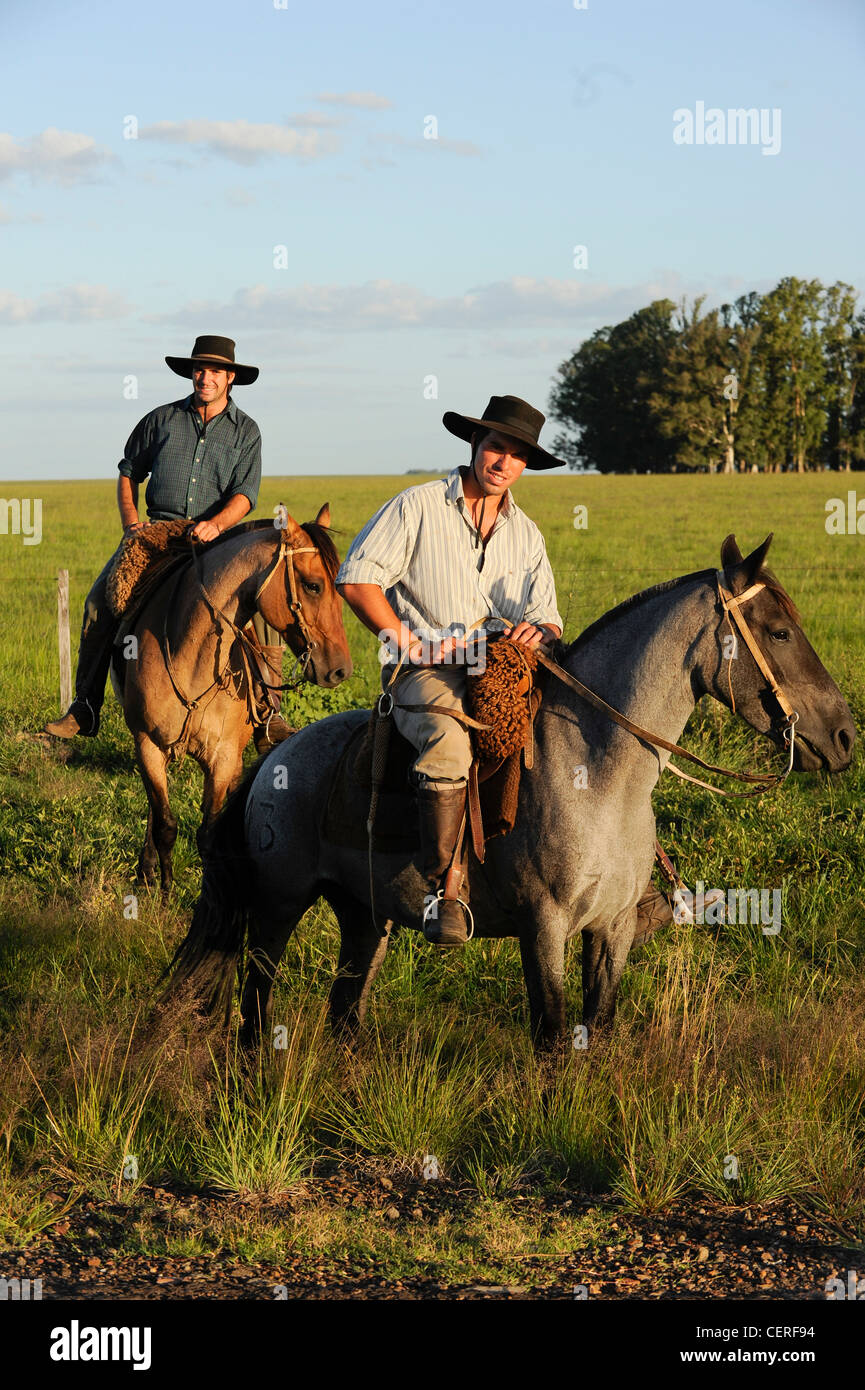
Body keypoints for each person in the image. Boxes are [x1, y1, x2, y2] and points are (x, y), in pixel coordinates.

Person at [336, 394, 564, 946]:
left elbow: (549, 619)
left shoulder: (526, 534)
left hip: (503, 672)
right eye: (496, 448)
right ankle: (445, 889)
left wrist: (542, 633)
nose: (503, 462)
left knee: (570, 737)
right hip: (427, 670)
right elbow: (356, 579)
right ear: (474, 445)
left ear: (526, 465)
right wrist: (409, 643)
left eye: (516, 455)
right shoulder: (416, 506)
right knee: (447, 743)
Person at [44, 335, 290, 752]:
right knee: (99, 603)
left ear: (230, 377)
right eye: (199, 369)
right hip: (158, 534)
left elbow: (246, 494)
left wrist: (215, 525)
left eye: (214, 370)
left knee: (265, 605)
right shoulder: (160, 420)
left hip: (217, 538)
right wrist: (131, 523)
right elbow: (128, 472)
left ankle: (269, 714)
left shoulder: (247, 432)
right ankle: (85, 705)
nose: (204, 377)